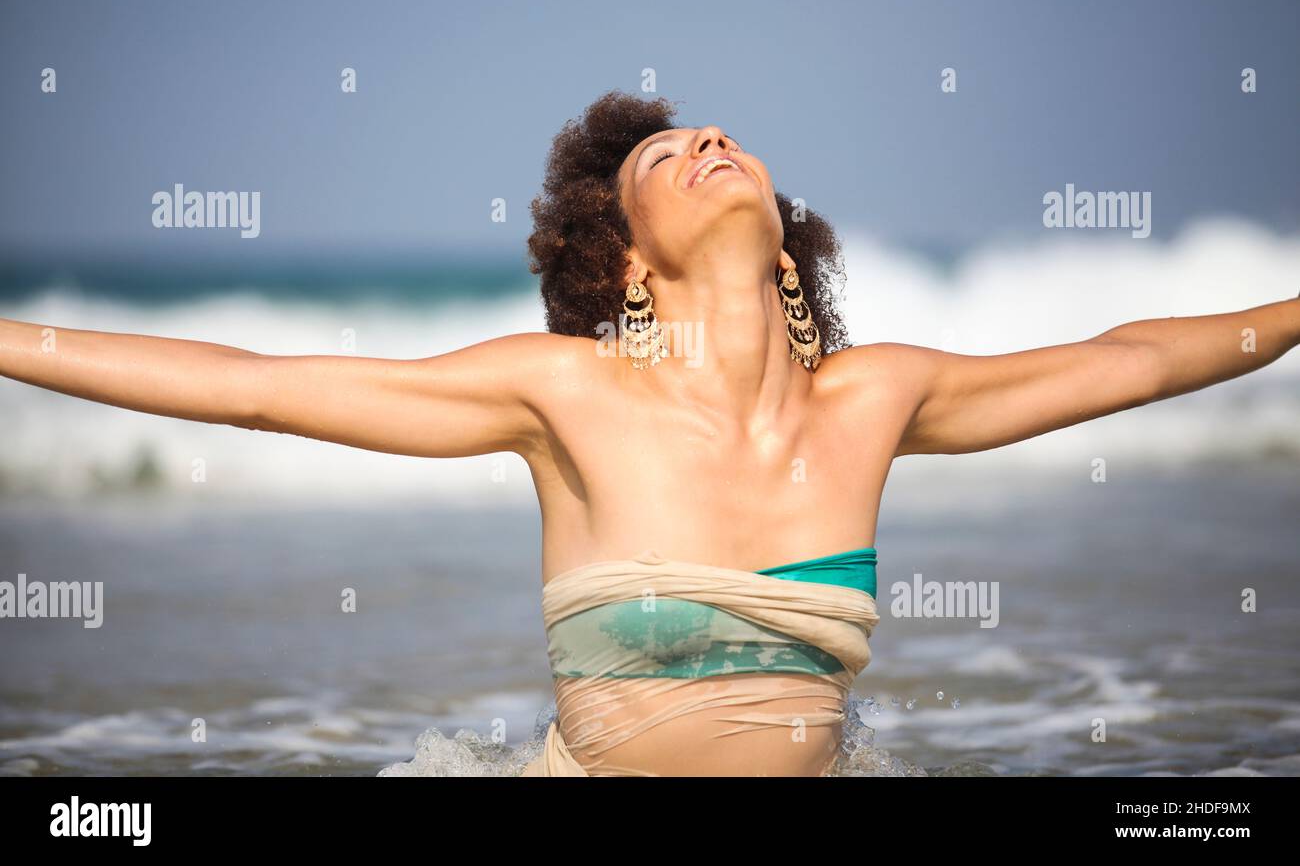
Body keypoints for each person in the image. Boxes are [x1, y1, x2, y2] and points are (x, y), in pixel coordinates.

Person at [2, 91, 1296, 776]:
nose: (712, 143)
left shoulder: (878, 396)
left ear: (786, 237)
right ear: (623, 265)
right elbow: (253, 384)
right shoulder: (566, 395)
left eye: (720, 138)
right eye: (667, 157)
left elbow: (1130, 360)